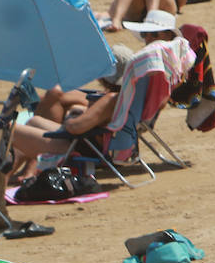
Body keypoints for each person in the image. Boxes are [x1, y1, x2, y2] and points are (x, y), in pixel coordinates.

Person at [8, 46, 133, 182]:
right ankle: (16, 172)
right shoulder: (126, 96)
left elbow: (75, 127)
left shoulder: (111, 100)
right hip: (84, 143)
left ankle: (2, 182)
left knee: (9, 129)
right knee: (33, 121)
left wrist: (72, 115)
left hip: (77, 150)